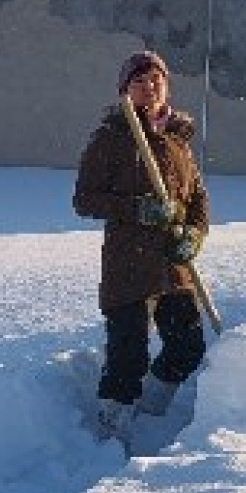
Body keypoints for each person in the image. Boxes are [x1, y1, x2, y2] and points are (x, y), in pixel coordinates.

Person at [72, 49, 210, 446]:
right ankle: (109, 432)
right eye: (139, 81)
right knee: (127, 356)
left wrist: (194, 235)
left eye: (156, 80)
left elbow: (198, 199)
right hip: (128, 265)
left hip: (172, 263)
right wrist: (138, 208)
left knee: (187, 346)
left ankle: (149, 413)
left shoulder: (177, 138)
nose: (149, 88)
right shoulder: (112, 137)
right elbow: (84, 200)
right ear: (125, 90)